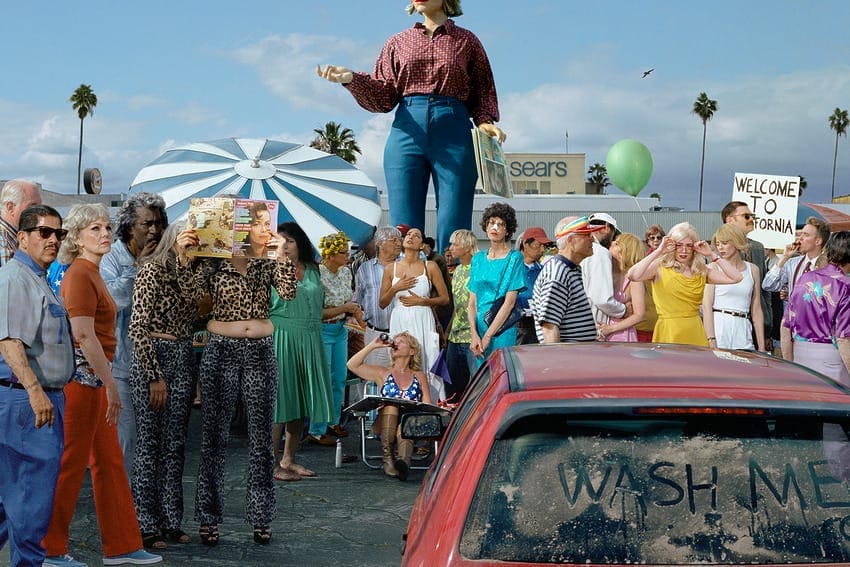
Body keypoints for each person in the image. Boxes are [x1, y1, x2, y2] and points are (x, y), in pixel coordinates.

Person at [317, 0, 505, 251]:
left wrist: (485, 122)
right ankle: (406, 283)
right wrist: (352, 79)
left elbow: (482, 88)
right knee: (403, 224)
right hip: (407, 127)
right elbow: (384, 97)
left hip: (454, 127)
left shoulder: (466, 40)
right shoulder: (397, 41)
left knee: (454, 220)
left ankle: (450, 283)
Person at [43, 203, 161, 567]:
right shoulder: (80, 274)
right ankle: (50, 549)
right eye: (94, 229)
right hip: (83, 383)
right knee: (70, 465)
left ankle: (123, 545)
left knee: (109, 464)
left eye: (107, 227)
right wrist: (110, 383)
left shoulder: (91, 272)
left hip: (95, 380)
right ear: (76, 239)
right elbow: (83, 334)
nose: (105, 233)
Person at [177, 224, 296, 547]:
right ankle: (208, 517)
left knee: (261, 439)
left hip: (260, 350)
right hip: (221, 349)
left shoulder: (265, 258)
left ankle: (261, 517)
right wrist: (185, 255)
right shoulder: (211, 262)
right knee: (214, 437)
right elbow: (187, 296)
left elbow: (288, 293)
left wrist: (281, 253)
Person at [0, 205, 73, 567]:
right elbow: (9, 341)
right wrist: (34, 390)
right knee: (32, 502)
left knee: (9, 500)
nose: (53, 240)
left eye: (58, 234)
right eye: (44, 233)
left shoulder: (37, 275)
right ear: (23, 237)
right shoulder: (17, 276)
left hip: (34, 399)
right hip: (30, 402)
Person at [127, 222, 201, 550]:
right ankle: (144, 523)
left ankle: (171, 520)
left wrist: (186, 261)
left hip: (183, 353)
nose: (195, 243)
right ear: (175, 237)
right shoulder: (150, 270)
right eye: (190, 238)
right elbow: (138, 327)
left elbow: (193, 302)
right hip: (153, 356)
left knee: (175, 443)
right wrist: (154, 375)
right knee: (148, 444)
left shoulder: (192, 271)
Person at [100, 193, 167, 481]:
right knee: (126, 441)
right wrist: (139, 267)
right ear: (129, 226)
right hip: (121, 366)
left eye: (158, 224)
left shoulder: (165, 257)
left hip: (157, 364)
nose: (154, 230)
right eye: (147, 224)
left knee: (155, 445)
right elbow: (113, 299)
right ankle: (124, 510)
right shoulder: (110, 257)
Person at [270, 222, 335, 482]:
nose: (284, 245)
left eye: (290, 240)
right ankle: (270, 463)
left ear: (300, 244)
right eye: (280, 240)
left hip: (309, 336)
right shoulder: (268, 269)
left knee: (299, 402)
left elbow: (319, 307)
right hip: (281, 336)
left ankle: (289, 458)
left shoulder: (311, 270)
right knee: (279, 402)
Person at [627, 222, 742, 346]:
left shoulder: (701, 271)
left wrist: (712, 255)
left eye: (689, 246)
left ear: (694, 248)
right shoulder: (660, 267)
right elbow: (633, 275)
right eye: (679, 245)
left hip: (694, 331)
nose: (684, 250)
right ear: (672, 245)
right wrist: (659, 251)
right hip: (669, 331)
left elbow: (736, 277)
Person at [347, 332, 433, 481]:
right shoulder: (383, 373)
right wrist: (374, 345)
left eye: (401, 342)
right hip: (383, 423)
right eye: (395, 341)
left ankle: (403, 464)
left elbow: (428, 405)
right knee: (391, 406)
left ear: (412, 351)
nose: (395, 344)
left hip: (409, 424)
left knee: (406, 423)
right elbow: (351, 365)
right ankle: (388, 459)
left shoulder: (419, 376)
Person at [379, 227, 450, 402]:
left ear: (421, 244)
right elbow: (382, 303)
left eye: (416, 235)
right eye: (408, 234)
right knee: (400, 361)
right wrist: (396, 288)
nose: (410, 237)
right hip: (400, 319)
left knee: (426, 361)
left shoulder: (430, 266)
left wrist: (423, 301)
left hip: (423, 319)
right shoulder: (391, 268)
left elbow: (445, 299)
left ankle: (430, 406)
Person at [307, 232, 363, 446]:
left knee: (339, 377)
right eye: (343, 252)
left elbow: (347, 301)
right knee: (322, 379)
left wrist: (350, 312)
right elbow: (317, 312)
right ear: (330, 255)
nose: (347, 254)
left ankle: (332, 421)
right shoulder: (317, 275)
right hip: (322, 329)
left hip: (341, 329)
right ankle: (317, 428)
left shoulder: (346, 272)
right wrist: (345, 308)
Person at [782, 231, 850, 385]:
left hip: (799, 354)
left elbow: (785, 324)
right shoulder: (845, 285)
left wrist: (788, 363)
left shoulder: (805, 278)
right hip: (831, 357)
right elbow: (843, 337)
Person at [468, 203, 525, 362]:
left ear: (507, 230)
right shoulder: (477, 259)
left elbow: (509, 303)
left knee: (501, 374)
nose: (495, 227)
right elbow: (472, 302)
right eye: (491, 223)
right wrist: (474, 333)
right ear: (486, 227)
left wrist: (488, 337)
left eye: (501, 224)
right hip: (479, 329)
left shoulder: (515, 258)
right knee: (481, 379)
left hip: (502, 328)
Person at [353, 226, 403, 405]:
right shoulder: (365, 269)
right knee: (375, 382)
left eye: (400, 239)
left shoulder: (406, 266)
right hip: (376, 335)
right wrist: (364, 324)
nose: (399, 243)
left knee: (402, 380)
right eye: (394, 240)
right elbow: (357, 301)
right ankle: (375, 424)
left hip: (402, 335)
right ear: (380, 244)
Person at [532, 216, 601, 343]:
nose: (592, 239)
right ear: (570, 240)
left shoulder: (568, 270)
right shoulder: (557, 273)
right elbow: (549, 328)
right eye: (586, 234)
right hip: (569, 359)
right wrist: (557, 362)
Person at [702, 224, 767, 352]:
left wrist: (762, 346)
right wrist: (711, 339)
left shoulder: (753, 269)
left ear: (736, 242)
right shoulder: (713, 268)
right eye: (718, 243)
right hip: (719, 326)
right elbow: (706, 306)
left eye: (725, 243)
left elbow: (756, 308)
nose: (720, 247)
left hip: (743, 327)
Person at [721, 200, 772, 343]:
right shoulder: (716, 250)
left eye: (752, 216)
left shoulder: (758, 248)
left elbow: (764, 290)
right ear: (730, 220)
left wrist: (768, 326)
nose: (751, 220)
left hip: (758, 325)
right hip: (727, 326)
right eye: (746, 216)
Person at [445, 229, 478, 401]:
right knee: (452, 384)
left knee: (476, 384)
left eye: (455, 244)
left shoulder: (480, 268)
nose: (451, 248)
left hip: (473, 336)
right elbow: (457, 306)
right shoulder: (457, 271)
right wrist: (447, 332)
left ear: (467, 247)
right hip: (455, 336)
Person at [598, 233, 646, 342]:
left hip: (621, 334)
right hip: (599, 331)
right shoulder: (604, 272)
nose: (612, 243)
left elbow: (640, 314)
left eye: (617, 243)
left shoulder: (634, 279)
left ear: (625, 252)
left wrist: (610, 329)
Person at [582, 213, 627, 326]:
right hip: (594, 324)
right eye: (614, 236)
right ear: (607, 228)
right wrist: (624, 311)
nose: (612, 241)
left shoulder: (581, 249)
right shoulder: (600, 252)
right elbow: (602, 299)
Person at [514, 226, 553, 345]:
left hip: (539, 324)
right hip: (518, 325)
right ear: (525, 244)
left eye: (544, 246)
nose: (542, 250)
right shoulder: (513, 269)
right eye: (538, 245)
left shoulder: (543, 270)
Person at [0, 179, 42, 266]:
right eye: (32, 207)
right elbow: (11, 278)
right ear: (10, 208)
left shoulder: (17, 237)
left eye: (40, 207)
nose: (39, 213)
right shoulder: (3, 241)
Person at [636, 224, 665, 342]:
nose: (656, 240)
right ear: (647, 240)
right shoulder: (643, 260)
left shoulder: (669, 258)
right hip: (648, 310)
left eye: (658, 237)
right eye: (652, 238)